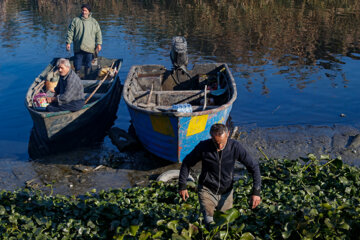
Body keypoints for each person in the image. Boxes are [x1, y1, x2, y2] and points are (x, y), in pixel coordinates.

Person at [178, 123, 261, 227]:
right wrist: (182, 185)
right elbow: (186, 163)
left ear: (228, 134)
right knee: (210, 223)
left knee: (224, 225)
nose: (220, 146)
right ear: (211, 137)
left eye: (222, 142)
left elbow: (254, 167)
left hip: (226, 192)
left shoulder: (235, 147)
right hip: (206, 189)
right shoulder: (203, 147)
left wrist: (256, 192)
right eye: (216, 142)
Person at [66, 3, 102, 76]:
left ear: (89, 11)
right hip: (78, 47)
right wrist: (68, 43)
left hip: (90, 47)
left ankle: (87, 76)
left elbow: (98, 33)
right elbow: (70, 32)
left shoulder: (93, 22)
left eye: (85, 10)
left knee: (88, 64)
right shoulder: (75, 20)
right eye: (82, 10)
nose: (83, 12)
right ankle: (77, 77)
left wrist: (99, 44)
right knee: (77, 64)